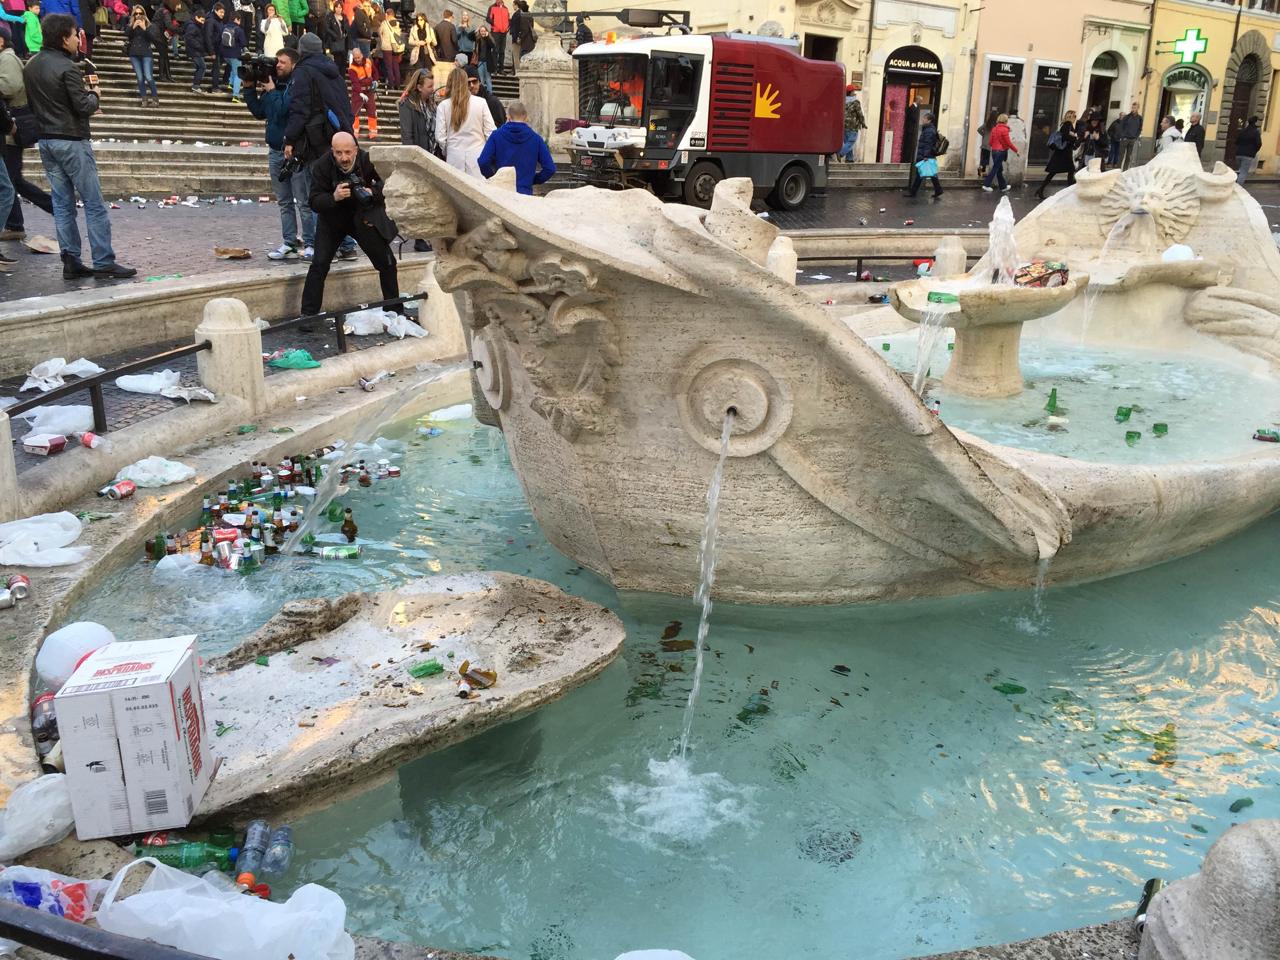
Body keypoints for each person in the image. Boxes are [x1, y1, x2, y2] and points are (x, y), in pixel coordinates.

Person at [25, 13, 135, 278]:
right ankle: (103, 260)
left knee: (62, 204)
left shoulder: (31, 65)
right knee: (93, 202)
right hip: (72, 140)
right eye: (75, 35)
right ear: (64, 38)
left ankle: (70, 259)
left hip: (47, 140)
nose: (78, 40)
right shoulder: (67, 68)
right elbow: (83, 106)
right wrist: (95, 95)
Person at [300, 130, 399, 316]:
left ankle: (394, 310)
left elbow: (388, 185)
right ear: (332, 151)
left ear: (355, 150)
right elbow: (313, 201)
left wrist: (372, 192)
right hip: (332, 219)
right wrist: (333, 197)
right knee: (319, 264)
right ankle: (308, 315)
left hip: (361, 218)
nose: (344, 158)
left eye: (347, 152)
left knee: (387, 263)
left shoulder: (367, 160)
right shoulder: (321, 166)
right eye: (338, 153)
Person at [246, 47, 314, 260]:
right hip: (274, 150)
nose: (278, 66)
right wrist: (249, 88)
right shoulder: (273, 85)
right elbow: (260, 111)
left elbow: (283, 110)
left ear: (293, 64)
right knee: (284, 201)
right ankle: (289, 242)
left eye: (282, 62)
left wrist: (273, 90)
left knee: (303, 201)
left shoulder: (295, 86)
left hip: (294, 152)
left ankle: (311, 243)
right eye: (277, 62)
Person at [0, 28, 52, 241]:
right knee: (13, 180)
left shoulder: (7, 59)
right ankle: (15, 224)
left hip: (12, 128)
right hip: (8, 128)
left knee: (10, 182)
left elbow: (11, 85)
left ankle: (51, 208)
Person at [478, 99, 551, 194]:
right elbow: (550, 168)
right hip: (525, 192)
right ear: (526, 118)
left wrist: (494, 177)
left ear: (507, 117)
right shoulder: (536, 139)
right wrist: (533, 180)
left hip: (501, 191)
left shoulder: (496, 136)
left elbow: (483, 161)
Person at [435, 63, 492, 176]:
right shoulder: (481, 103)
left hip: (454, 157)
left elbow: (440, 137)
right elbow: (490, 132)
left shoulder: (444, 106)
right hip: (478, 155)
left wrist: (448, 150)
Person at [1035, 109, 1077, 200]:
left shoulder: (1065, 125)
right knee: (1069, 171)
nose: (1075, 119)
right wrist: (1074, 137)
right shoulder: (1068, 125)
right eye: (1074, 116)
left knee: (1055, 172)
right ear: (1070, 117)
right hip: (1064, 153)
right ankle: (1071, 193)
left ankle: (1041, 189)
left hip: (1062, 152)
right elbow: (1066, 137)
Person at [397, 65, 437, 154]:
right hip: (419, 155)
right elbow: (407, 136)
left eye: (433, 86)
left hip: (433, 154)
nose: (433, 89)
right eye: (430, 86)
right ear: (419, 87)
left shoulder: (432, 104)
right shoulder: (407, 104)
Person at [124, 7, 159, 106]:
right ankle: (144, 99)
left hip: (146, 53)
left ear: (144, 14)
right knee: (139, 78)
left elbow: (153, 38)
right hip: (134, 54)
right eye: (136, 13)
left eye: (140, 13)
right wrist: (133, 27)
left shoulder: (149, 25)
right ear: (133, 15)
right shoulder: (131, 25)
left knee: (148, 77)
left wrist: (145, 28)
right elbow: (126, 34)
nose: (138, 15)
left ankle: (155, 99)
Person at [904, 109, 941, 198]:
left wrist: (925, 156)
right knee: (930, 174)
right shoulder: (929, 129)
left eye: (924, 119)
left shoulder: (929, 131)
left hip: (926, 156)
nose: (922, 120)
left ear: (929, 120)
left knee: (920, 174)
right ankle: (938, 190)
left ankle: (913, 192)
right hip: (927, 155)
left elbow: (928, 144)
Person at [215, 7, 246, 102]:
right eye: (239, 19)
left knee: (233, 68)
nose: (240, 21)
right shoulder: (239, 30)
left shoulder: (224, 27)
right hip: (235, 54)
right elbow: (243, 43)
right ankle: (236, 95)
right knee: (239, 74)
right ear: (236, 19)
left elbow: (218, 40)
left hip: (225, 54)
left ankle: (231, 83)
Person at [981, 112, 1015, 192]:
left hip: (993, 150)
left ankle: (1003, 187)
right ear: (1006, 120)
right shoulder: (1005, 129)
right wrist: (1015, 150)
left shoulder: (994, 128)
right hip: (1001, 151)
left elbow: (990, 142)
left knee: (998, 169)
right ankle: (986, 184)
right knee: (995, 168)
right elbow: (1008, 142)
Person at [348, 45, 375, 137]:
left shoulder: (368, 62)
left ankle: (373, 132)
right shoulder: (352, 69)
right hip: (358, 92)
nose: (357, 59)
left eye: (358, 57)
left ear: (362, 55)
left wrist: (375, 80)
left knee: (372, 111)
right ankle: (355, 132)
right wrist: (360, 92)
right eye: (355, 58)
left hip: (369, 91)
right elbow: (355, 82)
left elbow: (374, 72)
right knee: (355, 112)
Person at [837, 84, 863, 162]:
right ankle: (840, 153)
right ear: (850, 92)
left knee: (847, 142)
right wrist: (863, 123)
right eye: (853, 91)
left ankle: (849, 159)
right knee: (851, 141)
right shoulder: (855, 102)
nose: (854, 92)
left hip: (844, 125)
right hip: (853, 125)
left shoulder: (843, 101)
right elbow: (860, 114)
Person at [182, 7, 206, 92]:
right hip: (194, 51)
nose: (203, 23)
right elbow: (189, 38)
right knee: (202, 67)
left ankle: (196, 85)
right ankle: (196, 85)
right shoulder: (192, 26)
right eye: (202, 20)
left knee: (200, 67)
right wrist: (199, 46)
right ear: (196, 17)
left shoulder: (196, 25)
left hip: (196, 50)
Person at [378, 9, 402, 88]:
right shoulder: (397, 23)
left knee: (389, 67)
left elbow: (379, 32)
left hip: (387, 47)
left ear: (387, 14)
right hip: (395, 48)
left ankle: (391, 84)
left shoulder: (385, 23)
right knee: (396, 66)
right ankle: (398, 84)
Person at [1235, 115, 1261, 185]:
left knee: (1239, 171)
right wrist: (1254, 151)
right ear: (1255, 123)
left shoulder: (1243, 131)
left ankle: (1234, 184)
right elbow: (1259, 143)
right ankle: (1238, 188)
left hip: (1239, 154)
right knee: (1243, 172)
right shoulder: (1255, 132)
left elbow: (1237, 141)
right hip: (1248, 155)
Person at [509, 0, 532, 73]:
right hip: (524, 39)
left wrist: (518, 37)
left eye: (513, 5)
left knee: (517, 57)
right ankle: (517, 71)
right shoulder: (527, 15)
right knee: (519, 57)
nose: (513, 6)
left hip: (518, 39)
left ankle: (518, 72)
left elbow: (519, 27)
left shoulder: (519, 14)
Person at [1117, 101, 1141, 170]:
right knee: (1121, 156)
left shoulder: (1139, 118)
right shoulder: (1127, 117)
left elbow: (1139, 128)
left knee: (1128, 156)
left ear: (1138, 108)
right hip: (1125, 139)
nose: (1133, 109)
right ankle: (1117, 170)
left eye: (1135, 108)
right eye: (1132, 107)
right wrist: (1122, 136)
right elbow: (1121, 127)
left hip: (1132, 139)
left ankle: (1125, 170)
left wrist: (1136, 137)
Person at [485, 0, 507, 73]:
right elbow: (488, 18)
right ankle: (494, 69)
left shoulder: (505, 8)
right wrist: (495, 23)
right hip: (495, 32)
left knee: (502, 51)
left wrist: (507, 28)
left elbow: (508, 19)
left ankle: (501, 69)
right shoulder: (492, 7)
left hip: (503, 33)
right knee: (495, 50)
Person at [976, 108, 997, 179]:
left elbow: (978, 129)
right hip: (990, 144)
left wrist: (984, 135)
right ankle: (983, 172)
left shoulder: (987, 123)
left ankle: (981, 170)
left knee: (983, 158)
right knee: (987, 158)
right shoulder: (996, 125)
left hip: (984, 143)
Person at [473, 22, 494, 91]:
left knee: (488, 79)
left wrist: (487, 37)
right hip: (480, 62)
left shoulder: (489, 39)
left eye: (484, 31)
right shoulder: (478, 40)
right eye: (481, 31)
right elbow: (470, 36)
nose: (483, 32)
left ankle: (490, 94)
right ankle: (481, 94)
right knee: (481, 79)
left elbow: (493, 46)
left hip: (487, 62)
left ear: (486, 31)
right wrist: (476, 30)